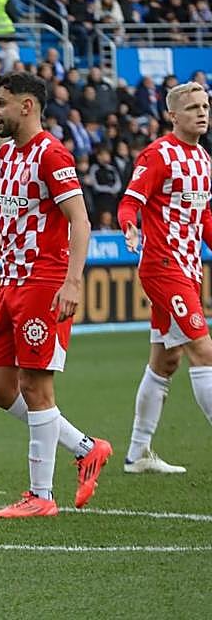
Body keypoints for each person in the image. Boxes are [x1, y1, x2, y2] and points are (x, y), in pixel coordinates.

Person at [0, 71, 112, 518]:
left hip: (44, 283)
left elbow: (80, 222)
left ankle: (41, 496)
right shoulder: (7, 155)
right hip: (11, 281)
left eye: (0, 103)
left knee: (34, 385)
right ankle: (86, 447)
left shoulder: (52, 154)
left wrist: (73, 281)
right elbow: (8, 222)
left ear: (27, 106)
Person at [117, 81, 212, 474]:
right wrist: (129, 227)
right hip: (162, 265)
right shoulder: (158, 155)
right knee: (203, 351)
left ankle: (138, 453)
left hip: (189, 269)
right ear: (173, 115)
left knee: (166, 359)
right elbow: (130, 201)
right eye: (192, 108)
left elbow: (203, 218)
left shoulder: (204, 160)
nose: (202, 113)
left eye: (205, 106)